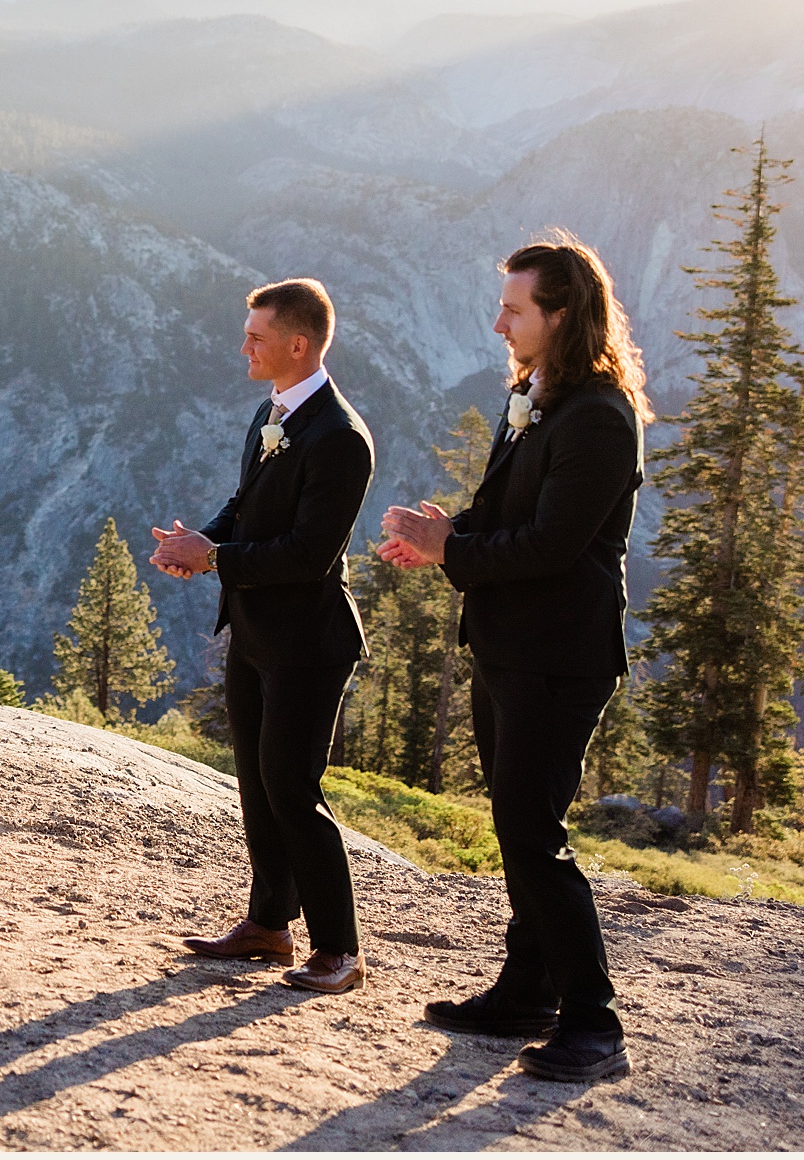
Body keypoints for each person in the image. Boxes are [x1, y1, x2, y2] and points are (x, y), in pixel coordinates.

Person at [379, 235, 648, 1084]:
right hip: (508, 645)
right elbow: (506, 512)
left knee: (533, 833)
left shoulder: (601, 416)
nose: (499, 322)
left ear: (561, 315)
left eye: (515, 309)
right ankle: (527, 988)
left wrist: (452, 548)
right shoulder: (535, 397)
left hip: (561, 656)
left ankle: (594, 1023)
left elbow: (553, 546)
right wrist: (445, 536)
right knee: (515, 822)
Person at [150, 278, 374, 995]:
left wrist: (213, 558)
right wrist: (201, 538)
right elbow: (244, 506)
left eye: (256, 335)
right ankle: (270, 924)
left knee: (292, 785)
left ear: (298, 344)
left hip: (310, 640)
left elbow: (309, 553)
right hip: (253, 631)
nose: (242, 345)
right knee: (255, 781)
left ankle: (340, 947)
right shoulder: (269, 413)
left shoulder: (341, 438)